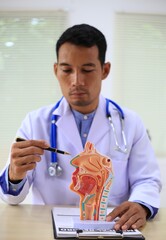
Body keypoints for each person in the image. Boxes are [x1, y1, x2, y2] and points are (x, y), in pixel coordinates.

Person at [0, 24, 162, 231]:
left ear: (105, 70)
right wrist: (15, 174)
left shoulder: (129, 122)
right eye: (67, 70)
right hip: (46, 229)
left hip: (109, 227)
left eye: (87, 70)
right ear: (56, 70)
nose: (76, 81)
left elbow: (147, 179)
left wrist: (141, 205)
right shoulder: (34, 122)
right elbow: (11, 198)